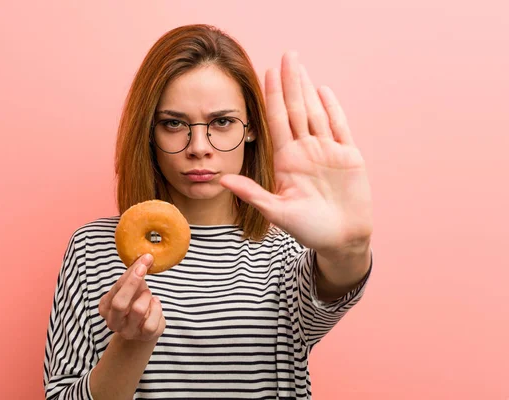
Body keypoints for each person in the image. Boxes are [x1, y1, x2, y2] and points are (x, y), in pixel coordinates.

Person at [43, 24, 374, 400]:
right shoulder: (94, 249)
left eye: (222, 121)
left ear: (251, 129)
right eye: (173, 123)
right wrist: (132, 344)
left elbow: (338, 276)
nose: (199, 147)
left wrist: (350, 246)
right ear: (149, 132)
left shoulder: (286, 252)